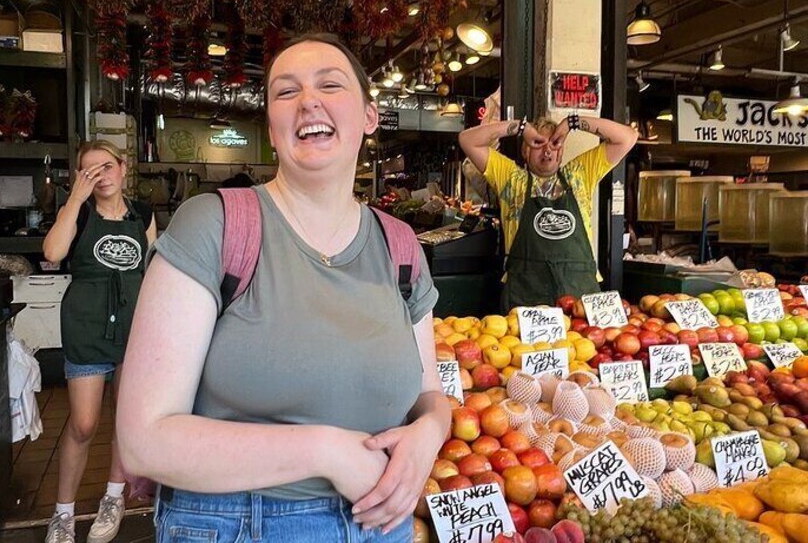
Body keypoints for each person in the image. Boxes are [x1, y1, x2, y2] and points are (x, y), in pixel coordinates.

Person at [116, 33, 450, 543]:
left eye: (330, 85)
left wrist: (430, 433)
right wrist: (326, 452)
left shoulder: (400, 246)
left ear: (368, 116)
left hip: (383, 523)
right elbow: (144, 441)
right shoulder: (215, 227)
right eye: (286, 92)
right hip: (240, 525)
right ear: (272, 128)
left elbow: (429, 392)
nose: (308, 101)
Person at [41, 140, 156, 543]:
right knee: (84, 424)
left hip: (133, 329)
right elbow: (53, 251)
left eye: (106, 167)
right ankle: (63, 514)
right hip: (87, 327)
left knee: (125, 421)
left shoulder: (142, 214)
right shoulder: (79, 212)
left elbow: (152, 268)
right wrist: (75, 198)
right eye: (89, 171)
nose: (100, 176)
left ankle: (113, 496)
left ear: (123, 168)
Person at [458, 113, 637, 310]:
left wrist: (571, 123)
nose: (547, 151)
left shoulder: (580, 173)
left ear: (561, 152)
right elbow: (467, 140)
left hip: (579, 295)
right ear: (525, 152)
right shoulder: (510, 178)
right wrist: (521, 127)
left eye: (554, 144)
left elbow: (627, 137)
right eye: (538, 144)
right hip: (526, 297)